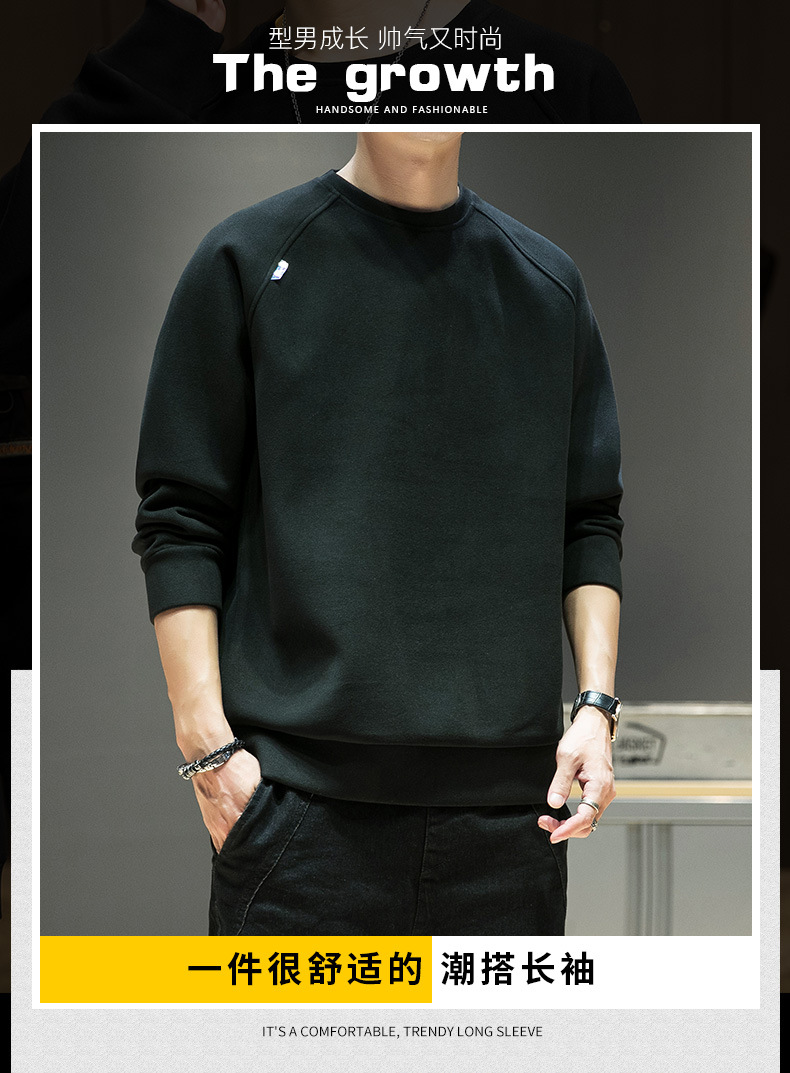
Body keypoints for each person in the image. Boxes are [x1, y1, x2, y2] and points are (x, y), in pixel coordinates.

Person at [132, 131, 624, 936]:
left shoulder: (547, 283)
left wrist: (596, 709)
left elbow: (589, 518)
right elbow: (181, 514)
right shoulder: (247, 257)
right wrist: (209, 750)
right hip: (300, 813)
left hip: (510, 824)